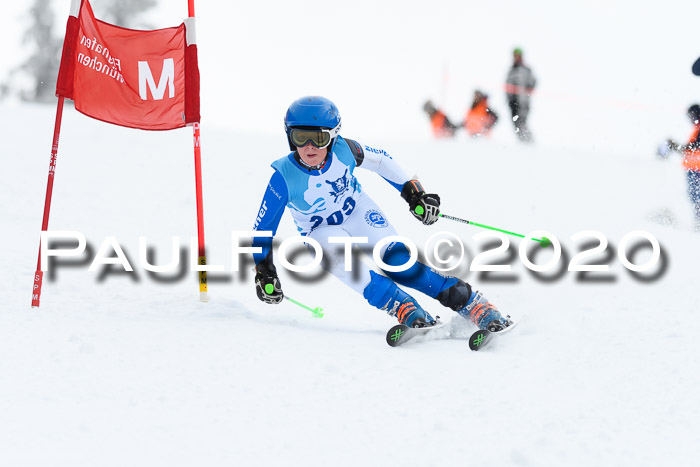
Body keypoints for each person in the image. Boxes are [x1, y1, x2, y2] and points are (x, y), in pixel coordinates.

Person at [251, 96, 511, 331]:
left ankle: (471, 303)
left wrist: (413, 192)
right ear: (289, 137)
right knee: (333, 259)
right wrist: (265, 270)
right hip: (320, 230)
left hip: (357, 211)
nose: (309, 147)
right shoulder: (283, 177)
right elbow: (263, 229)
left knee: (398, 263)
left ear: (332, 137)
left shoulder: (344, 150)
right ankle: (402, 306)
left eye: (318, 138)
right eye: (299, 137)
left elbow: (382, 161)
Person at [666, 104, 700, 230]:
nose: (690, 118)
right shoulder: (696, 129)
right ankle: (697, 221)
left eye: (691, 115)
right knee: (694, 197)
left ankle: (699, 223)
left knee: (697, 197)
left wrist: (676, 146)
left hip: (697, 170)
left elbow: (692, 148)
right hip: (693, 169)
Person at [505, 48, 536, 142]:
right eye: (515, 55)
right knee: (515, 123)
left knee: (521, 122)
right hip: (512, 101)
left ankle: (529, 142)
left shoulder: (526, 70)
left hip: (523, 102)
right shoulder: (511, 69)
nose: (516, 57)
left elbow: (533, 81)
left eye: (518, 55)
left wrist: (527, 88)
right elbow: (507, 85)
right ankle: (522, 142)